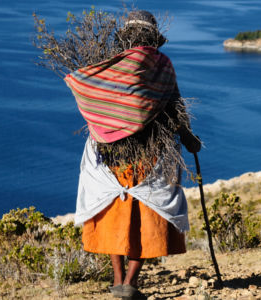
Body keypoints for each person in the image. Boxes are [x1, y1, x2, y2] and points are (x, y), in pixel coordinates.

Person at [65, 10, 200, 299]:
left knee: (114, 215)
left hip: (109, 156)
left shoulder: (106, 67)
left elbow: (89, 96)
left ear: (125, 38)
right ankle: (130, 282)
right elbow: (175, 106)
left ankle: (118, 280)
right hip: (151, 155)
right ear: (153, 37)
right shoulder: (162, 64)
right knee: (147, 216)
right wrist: (189, 140)